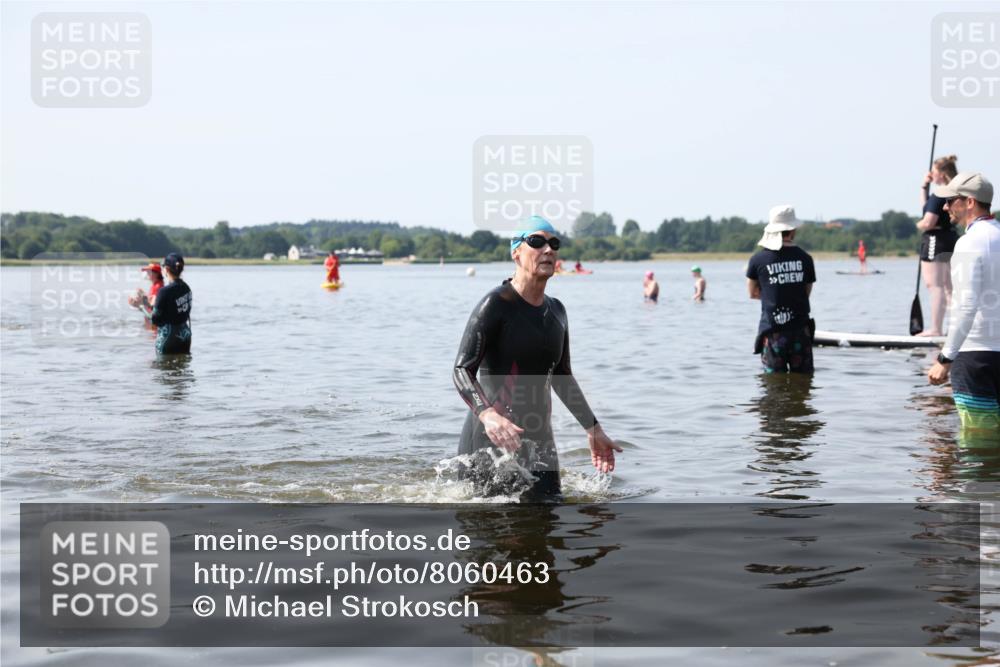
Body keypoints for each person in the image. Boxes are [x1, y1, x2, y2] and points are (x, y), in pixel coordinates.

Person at [453, 216, 621, 499]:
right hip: (492, 440)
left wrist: (593, 429)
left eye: (554, 243)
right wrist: (488, 415)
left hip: (540, 443)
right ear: (516, 252)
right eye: (536, 241)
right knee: (499, 533)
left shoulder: (557, 312)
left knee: (548, 521)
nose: (548, 250)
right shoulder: (497, 304)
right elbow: (461, 369)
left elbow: (562, 376)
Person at [926, 173, 999, 435]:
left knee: (979, 443)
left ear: (969, 202)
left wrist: (946, 358)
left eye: (950, 201)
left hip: (975, 357)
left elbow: (967, 305)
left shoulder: (968, 243)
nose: (945, 207)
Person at [746, 205, 817, 374]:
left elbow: (752, 293)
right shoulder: (806, 258)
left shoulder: (758, 259)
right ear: (792, 231)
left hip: (773, 332)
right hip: (800, 330)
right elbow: (806, 293)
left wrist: (773, 294)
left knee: (773, 386)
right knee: (803, 384)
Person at [917, 155, 961, 336]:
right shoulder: (953, 193)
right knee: (949, 287)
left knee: (934, 285)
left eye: (934, 172)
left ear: (942, 175)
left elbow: (928, 220)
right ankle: (955, 327)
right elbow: (928, 207)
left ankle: (935, 328)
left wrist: (918, 225)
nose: (931, 174)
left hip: (936, 240)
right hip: (950, 238)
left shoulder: (939, 194)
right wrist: (924, 187)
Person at [150, 252, 192, 355]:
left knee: (162, 368)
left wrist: (142, 306)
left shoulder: (164, 291)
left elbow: (155, 319)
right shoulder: (187, 288)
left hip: (169, 337)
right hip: (185, 335)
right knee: (182, 368)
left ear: (167, 269)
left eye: (163, 267)